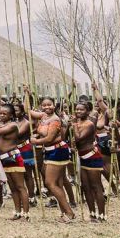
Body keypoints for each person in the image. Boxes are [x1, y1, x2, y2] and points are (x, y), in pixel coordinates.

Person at [29, 95, 76, 223]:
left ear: (54, 105)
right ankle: (64, 212)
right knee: (58, 183)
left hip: (58, 151)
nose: (46, 107)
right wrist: (27, 95)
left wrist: (35, 141)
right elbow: (28, 111)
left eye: (49, 104)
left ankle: (70, 213)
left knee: (50, 183)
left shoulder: (55, 119)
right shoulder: (43, 116)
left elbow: (49, 139)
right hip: (50, 151)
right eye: (44, 105)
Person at [0, 102, 28, 221]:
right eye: (0, 113)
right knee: (12, 188)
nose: (2, 115)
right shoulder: (1, 124)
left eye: (5, 113)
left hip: (13, 157)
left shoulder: (13, 125)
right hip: (4, 158)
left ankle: (26, 213)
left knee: (20, 187)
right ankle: (17, 212)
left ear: (11, 115)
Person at [71, 98, 107, 222]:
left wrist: (74, 125)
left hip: (92, 156)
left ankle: (102, 215)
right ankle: (92, 214)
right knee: (86, 187)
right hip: (82, 157)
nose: (78, 111)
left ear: (88, 112)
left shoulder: (89, 124)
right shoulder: (77, 123)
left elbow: (79, 138)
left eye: (81, 109)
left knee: (96, 186)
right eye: (77, 109)